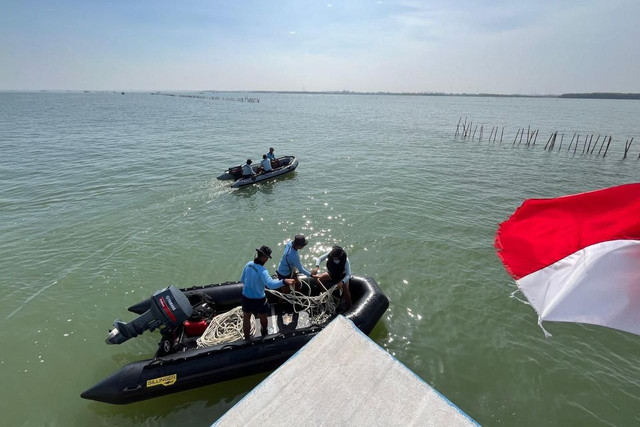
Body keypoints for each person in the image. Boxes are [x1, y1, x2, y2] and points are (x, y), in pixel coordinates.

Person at [241, 246, 295, 340]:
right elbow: (270, 285)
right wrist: (284, 281)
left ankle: (246, 339)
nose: (267, 260)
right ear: (264, 257)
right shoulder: (263, 271)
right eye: (267, 258)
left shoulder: (248, 264)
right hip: (258, 299)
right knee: (263, 316)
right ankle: (264, 332)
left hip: (246, 297)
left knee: (246, 317)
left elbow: (242, 280)